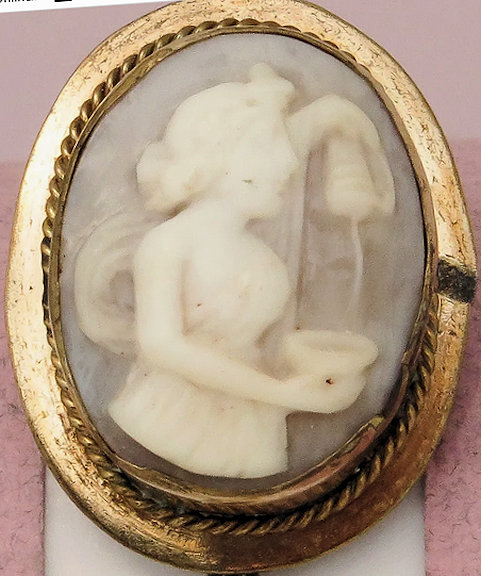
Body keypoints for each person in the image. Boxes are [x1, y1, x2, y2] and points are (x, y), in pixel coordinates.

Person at [75, 64, 393, 478]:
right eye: (272, 148)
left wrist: (337, 118)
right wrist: (281, 393)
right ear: (222, 159)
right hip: (176, 418)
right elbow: (162, 347)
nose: (289, 163)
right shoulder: (168, 244)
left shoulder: (260, 249)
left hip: (251, 424)